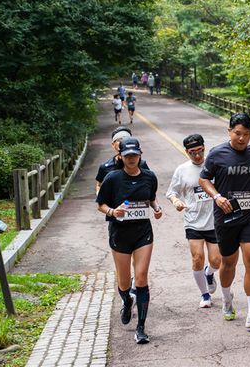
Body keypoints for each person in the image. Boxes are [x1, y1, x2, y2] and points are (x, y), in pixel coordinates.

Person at [199, 112, 250, 329]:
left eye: (247, 134)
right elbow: (203, 178)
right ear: (230, 131)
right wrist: (217, 196)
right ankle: (226, 298)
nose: (242, 139)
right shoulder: (216, 154)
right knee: (229, 263)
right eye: (238, 134)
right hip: (227, 216)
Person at [96, 137, 163, 344]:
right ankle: (126, 302)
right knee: (124, 282)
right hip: (120, 233)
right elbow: (100, 204)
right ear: (120, 156)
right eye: (127, 155)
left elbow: (151, 197)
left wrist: (157, 208)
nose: (131, 158)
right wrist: (112, 211)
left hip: (143, 232)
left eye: (134, 155)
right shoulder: (113, 178)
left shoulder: (149, 176)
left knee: (141, 278)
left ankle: (141, 328)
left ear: (140, 154)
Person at [166, 134, 221, 308]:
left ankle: (209, 273)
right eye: (192, 153)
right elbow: (171, 193)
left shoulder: (214, 166)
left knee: (216, 261)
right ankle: (205, 295)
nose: (197, 156)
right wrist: (177, 202)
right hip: (193, 220)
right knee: (197, 258)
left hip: (214, 221)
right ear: (186, 152)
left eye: (200, 151)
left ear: (204, 147)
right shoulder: (182, 170)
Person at [95, 127, 150, 195]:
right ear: (113, 144)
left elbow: (149, 184)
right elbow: (99, 185)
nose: (123, 143)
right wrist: (101, 198)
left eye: (126, 140)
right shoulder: (105, 167)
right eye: (119, 140)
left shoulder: (141, 164)